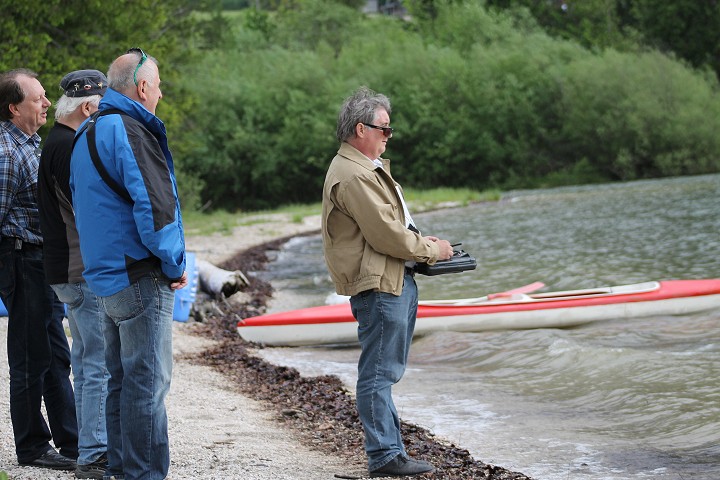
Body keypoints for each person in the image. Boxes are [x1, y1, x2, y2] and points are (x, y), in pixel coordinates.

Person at [321, 86, 453, 478]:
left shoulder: (359, 169)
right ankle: (384, 457)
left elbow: (388, 229)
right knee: (380, 373)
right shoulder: (355, 174)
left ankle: (389, 451)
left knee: (382, 370)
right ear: (361, 129)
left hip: (388, 280)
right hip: (381, 286)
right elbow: (387, 236)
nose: (388, 135)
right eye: (385, 129)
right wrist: (434, 250)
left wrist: (419, 244)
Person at [70, 49, 187, 480]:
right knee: (146, 386)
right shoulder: (131, 130)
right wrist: (174, 265)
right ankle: (142, 475)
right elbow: (156, 210)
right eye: (157, 85)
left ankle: (121, 469)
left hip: (104, 278)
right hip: (138, 275)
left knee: (120, 380)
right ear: (142, 87)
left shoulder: (87, 131)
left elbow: (82, 206)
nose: (160, 92)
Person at [0, 68, 78, 470]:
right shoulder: (5, 152)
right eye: (38, 98)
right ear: (14, 107)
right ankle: (31, 446)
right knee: (30, 357)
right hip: (21, 260)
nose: (47, 102)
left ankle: (71, 440)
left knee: (55, 354)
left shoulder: (31, 145)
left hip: (41, 264)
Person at [38, 69, 110, 479]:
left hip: (64, 268)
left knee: (85, 363)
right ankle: (95, 452)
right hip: (80, 267)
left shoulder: (55, 141)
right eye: (102, 107)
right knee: (95, 364)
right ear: (88, 106)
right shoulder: (71, 145)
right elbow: (85, 211)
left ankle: (89, 445)